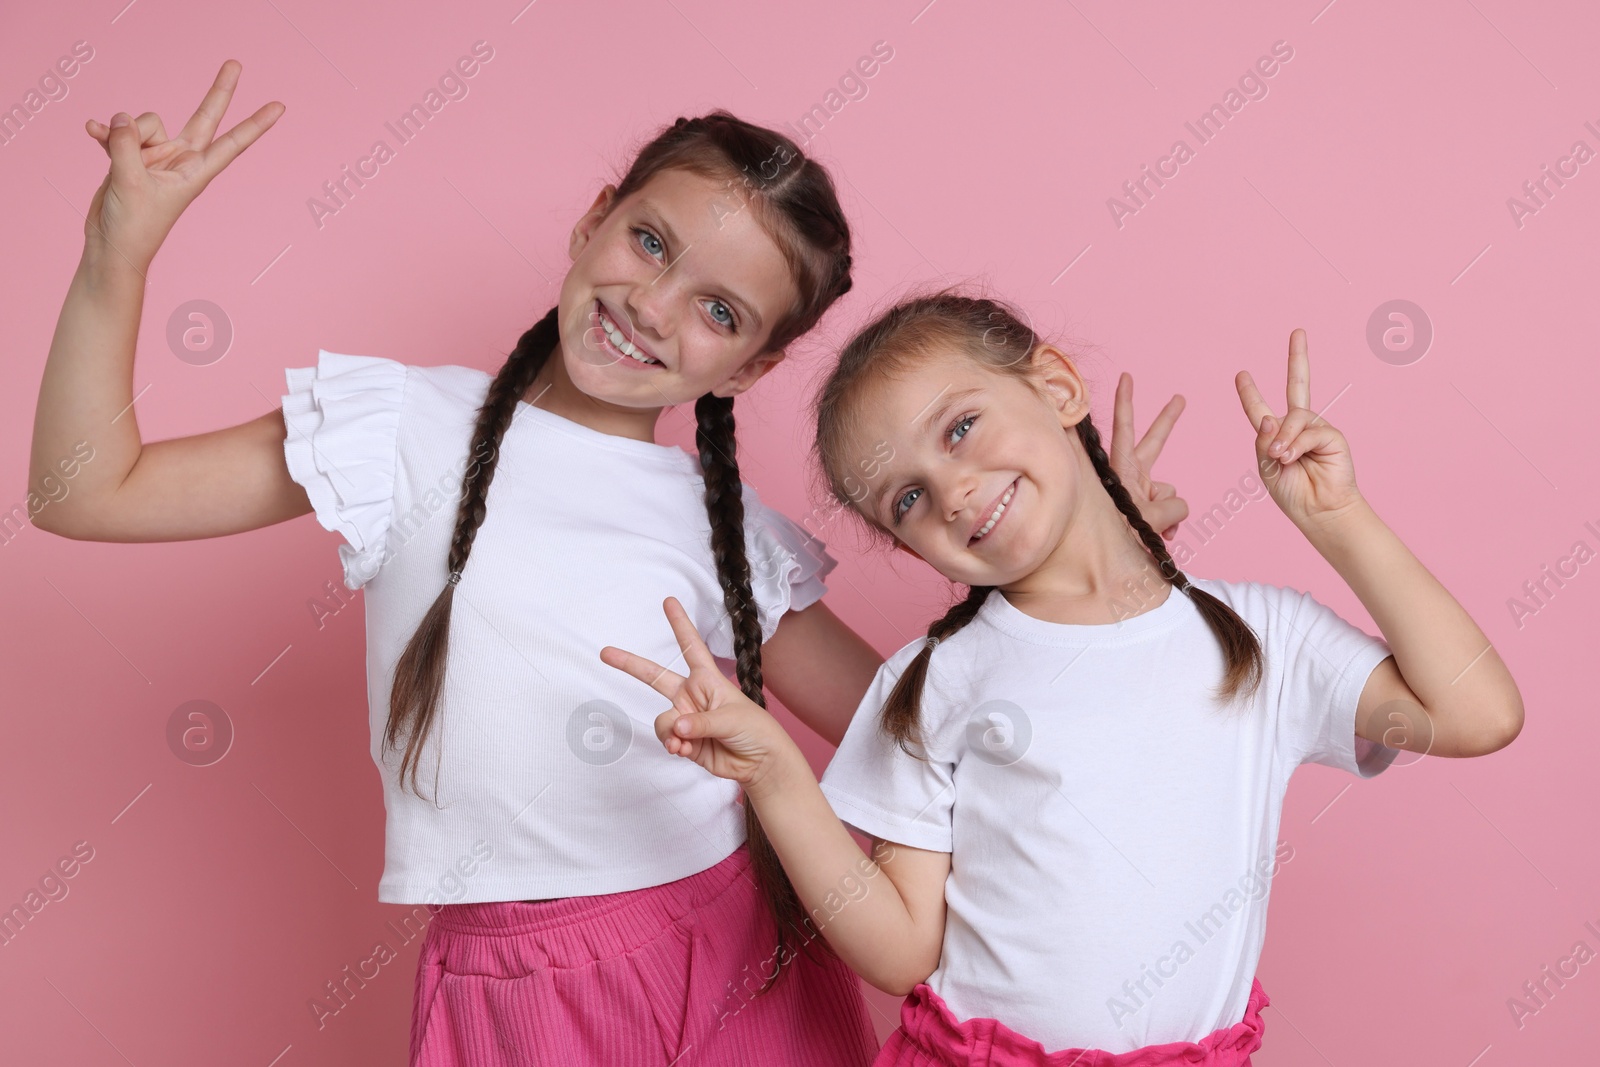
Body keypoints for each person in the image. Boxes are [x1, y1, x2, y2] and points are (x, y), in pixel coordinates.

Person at [28, 59, 1192, 1065]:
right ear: (594, 218)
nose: (651, 302)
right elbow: (85, 490)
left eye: (719, 310)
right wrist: (115, 251)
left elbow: (926, 722)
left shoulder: (725, 527)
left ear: (747, 370)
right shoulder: (395, 428)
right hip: (519, 986)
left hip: (742, 950)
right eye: (649, 240)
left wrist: (1105, 558)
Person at [599, 291, 1524, 1066]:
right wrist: (775, 776)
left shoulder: (1259, 638)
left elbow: (1476, 711)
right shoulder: (933, 681)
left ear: (1057, 385)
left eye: (961, 428)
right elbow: (901, 948)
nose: (953, 491)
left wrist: (1338, 518)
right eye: (909, 498)